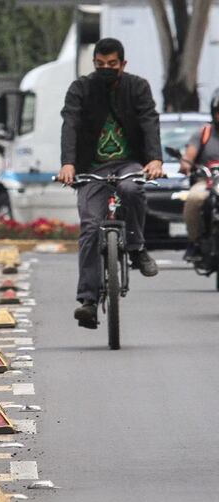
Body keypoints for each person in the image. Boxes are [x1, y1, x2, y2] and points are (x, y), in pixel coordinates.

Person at [57, 38, 164, 329]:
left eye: (112, 65)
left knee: (132, 189)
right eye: (100, 65)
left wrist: (154, 160)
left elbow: (148, 120)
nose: (106, 69)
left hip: (128, 163)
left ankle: (137, 247)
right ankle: (88, 301)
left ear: (123, 64)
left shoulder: (137, 87)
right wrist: (68, 163)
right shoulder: (81, 88)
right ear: (94, 63)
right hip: (91, 168)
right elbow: (71, 123)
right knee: (91, 226)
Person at [180, 91, 219, 262]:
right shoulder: (203, 133)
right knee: (194, 198)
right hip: (207, 181)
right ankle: (194, 242)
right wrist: (186, 165)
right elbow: (189, 156)